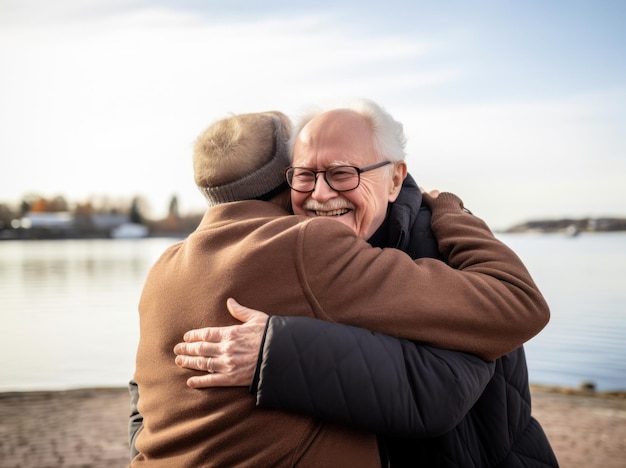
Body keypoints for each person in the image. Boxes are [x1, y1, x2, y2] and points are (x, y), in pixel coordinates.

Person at [129, 107, 551, 466]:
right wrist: (451, 208)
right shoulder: (302, 244)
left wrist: (274, 353)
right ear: (282, 181)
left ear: (395, 177)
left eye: (342, 173)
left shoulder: (166, 267)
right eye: (303, 174)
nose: (319, 193)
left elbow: (144, 405)